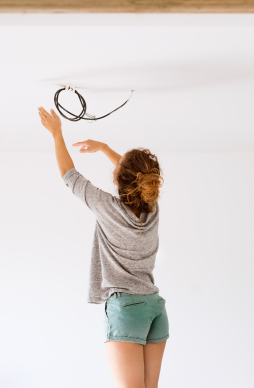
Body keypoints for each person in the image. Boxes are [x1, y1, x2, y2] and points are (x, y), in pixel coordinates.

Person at [38, 106, 169, 388]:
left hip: (128, 308)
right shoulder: (152, 211)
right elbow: (136, 174)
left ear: (119, 178)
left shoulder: (107, 208)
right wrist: (106, 148)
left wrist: (57, 133)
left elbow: (69, 175)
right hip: (155, 309)